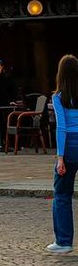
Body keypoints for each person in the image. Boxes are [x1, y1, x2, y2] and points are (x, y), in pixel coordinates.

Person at [48, 53, 78, 253]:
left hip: (69, 148)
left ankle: (64, 241)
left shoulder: (59, 97)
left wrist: (60, 157)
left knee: (62, 194)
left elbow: (62, 127)